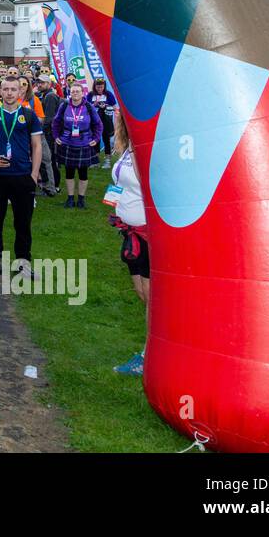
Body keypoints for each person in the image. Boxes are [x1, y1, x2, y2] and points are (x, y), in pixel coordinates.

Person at [0, 71, 42, 277]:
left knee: (22, 223)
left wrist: (33, 175)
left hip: (22, 176)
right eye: (5, 89)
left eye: (14, 89)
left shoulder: (28, 115)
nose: (9, 92)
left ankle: (23, 262)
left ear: (20, 91)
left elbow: (37, 146)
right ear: (0, 91)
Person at [106, 110, 149, 375]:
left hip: (147, 234)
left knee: (152, 299)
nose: (116, 118)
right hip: (128, 231)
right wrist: (113, 206)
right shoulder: (126, 149)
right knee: (143, 295)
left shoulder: (149, 152)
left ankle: (148, 356)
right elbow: (119, 183)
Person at [52, 81, 102, 208]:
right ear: (70, 93)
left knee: (83, 174)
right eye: (72, 91)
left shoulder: (89, 107)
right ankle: (70, 199)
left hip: (84, 143)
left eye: (77, 91)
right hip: (67, 142)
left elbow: (98, 124)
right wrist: (56, 136)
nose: (75, 93)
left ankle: (81, 199)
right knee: (69, 173)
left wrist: (96, 139)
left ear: (82, 93)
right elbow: (56, 122)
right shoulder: (64, 106)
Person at [88, 78, 118, 168]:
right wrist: (94, 105)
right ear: (95, 86)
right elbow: (85, 106)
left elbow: (115, 107)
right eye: (98, 87)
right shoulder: (90, 94)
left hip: (106, 121)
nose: (99, 89)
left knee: (106, 139)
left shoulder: (108, 94)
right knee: (95, 140)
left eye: (101, 87)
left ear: (104, 86)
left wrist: (106, 106)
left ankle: (107, 160)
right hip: (94, 122)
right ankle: (96, 161)